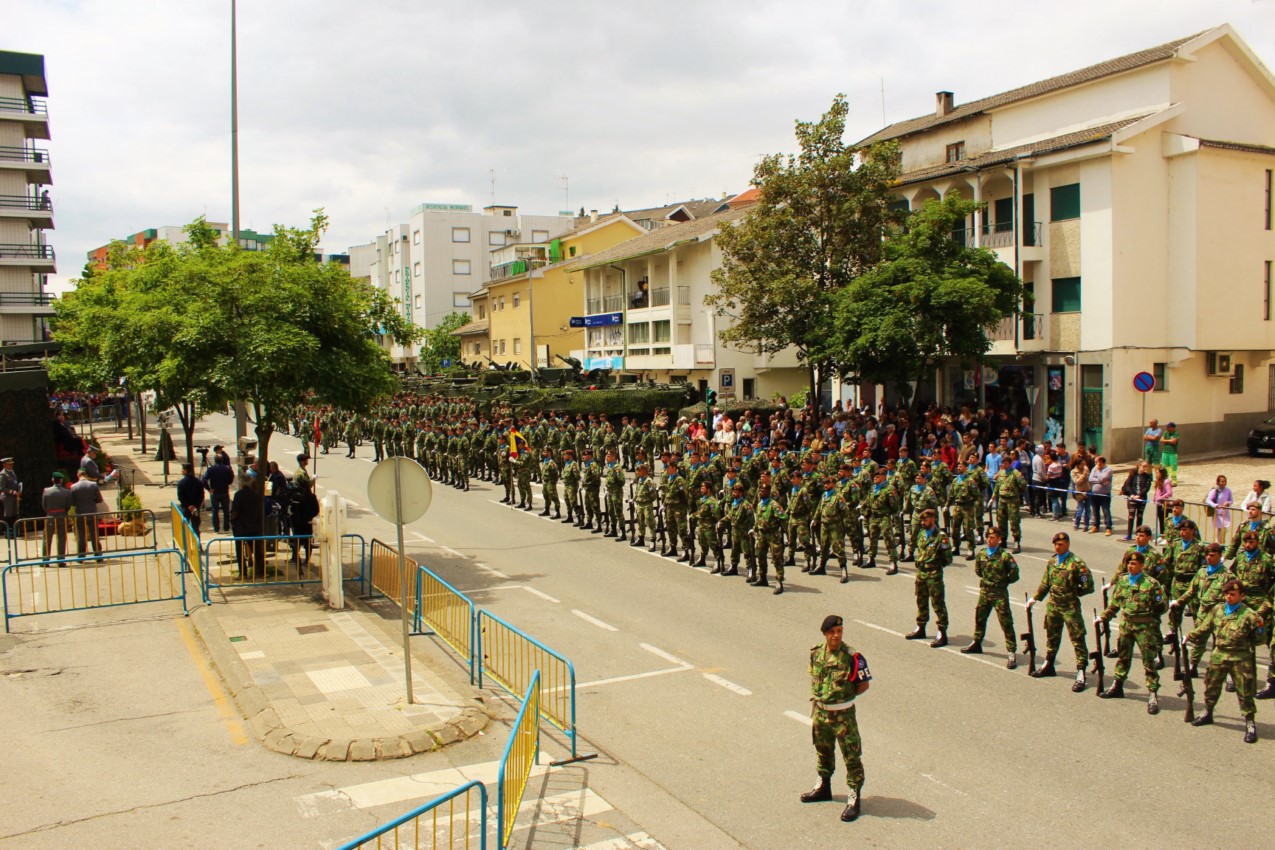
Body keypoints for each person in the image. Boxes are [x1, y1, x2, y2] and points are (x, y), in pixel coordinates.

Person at [802, 614, 872, 823]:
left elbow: (863, 685)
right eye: (832, 632)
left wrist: (841, 699)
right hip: (821, 713)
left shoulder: (852, 656)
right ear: (825, 634)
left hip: (843, 716)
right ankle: (824, 786)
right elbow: (814, 677)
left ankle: (854, 797)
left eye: (839, 631)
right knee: (823, 750)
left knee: (851, 756)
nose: (836, 636)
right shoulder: (816, 653)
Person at [1185, 579, 1263, 743]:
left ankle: (1250, 723)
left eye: (1232, 594)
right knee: (1211, 686)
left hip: (1240, 658)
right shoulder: (1218, 610)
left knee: (1245, 692)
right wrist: (1189, 636)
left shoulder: (1250, 616)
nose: (1228, 597)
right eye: (1227, 593)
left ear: (1242, 596)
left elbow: (1260, 639)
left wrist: (1254, 635)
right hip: (1219, 655)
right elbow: (1204, 628)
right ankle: (1208, 712)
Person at [1095, 551, 1167, 713]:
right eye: (1129, 563)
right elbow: (1115, 603)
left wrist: (1154, 613)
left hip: (1144, 627)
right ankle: (1118, 685)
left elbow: (1162, 606)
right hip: (1126, 625)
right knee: (1123, 657)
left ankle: (1153, 693)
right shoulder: (1122, 581)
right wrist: (1104, 617)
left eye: (1134, 563)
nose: (1130, 566)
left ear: (1142, 565)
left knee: (1149, 661)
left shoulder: (1151, 584)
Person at [1026, 532, 1095, 691]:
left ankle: (1081, 670)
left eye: (1061, 544)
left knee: (1077, 638)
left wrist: (1073, 593)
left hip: (1070, 607)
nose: (1058, 546)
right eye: (1056, 544)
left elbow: (1088, 586)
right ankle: (1049, 664)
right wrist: (1035, 598)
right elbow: (1045, 584)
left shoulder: (1077, 563)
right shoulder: (1052, 562)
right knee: (1052, 635)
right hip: (1053, 605)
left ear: (1068, 544)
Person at [962, 526, 1020, 668]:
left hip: (999, 594)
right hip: (985, 592)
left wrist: (1002, 582)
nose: (989, 539)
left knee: (1006, 623)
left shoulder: (1005, 556)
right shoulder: (982, 554)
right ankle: (977, 642)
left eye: (992, 537)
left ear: (999, 539)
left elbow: (1014, 574)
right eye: (988, 536)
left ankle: (1011, 651)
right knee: (980, 618)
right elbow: (978, 571)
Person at [905, 509, 952, 647]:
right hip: (921, 573)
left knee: (938, 603)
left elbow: (947, 558)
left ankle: (942, 632)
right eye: (922, 520)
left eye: (925, 520)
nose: (923, 522)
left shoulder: (941, 537)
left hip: (934, 574)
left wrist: (935, 566)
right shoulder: (921, 534)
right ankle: (921, 627)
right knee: (921, 601)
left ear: (933, 519)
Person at [230, 476, 263, 576]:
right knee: (256, 550)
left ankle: (243, 573)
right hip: (253, 526)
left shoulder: (239, 495)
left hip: (240, 527)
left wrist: (232, 520)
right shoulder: (254, 495)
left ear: (241, 483)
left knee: (240, 551)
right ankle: (259, 571)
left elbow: (235, 511)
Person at [69, 468, 103, 559]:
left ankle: (81, 556)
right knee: (94, 534)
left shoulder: (73, 487)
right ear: (86, 475)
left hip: (80, 513)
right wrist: (92, 501)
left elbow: (72, 502)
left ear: (78, 475)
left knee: (81, 535)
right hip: (92, 512)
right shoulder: (93, 485)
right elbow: (100, 499)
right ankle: (98, 555)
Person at [289, 477, 320, 567]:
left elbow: (293, 509)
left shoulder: (298, 497)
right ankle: (307, 560)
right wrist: (310, 517)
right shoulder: (312, 497)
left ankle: (295, 558)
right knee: (307, 542)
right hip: (307, 523)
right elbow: (316, 510)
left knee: (297, 541)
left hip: (299, 523)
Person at [40, 470, 71, 560]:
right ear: (61, 480)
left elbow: (44, 505)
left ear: (53, 480)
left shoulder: (46, 491)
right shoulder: (66, 492)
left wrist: (50, 512)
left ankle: (46, 559)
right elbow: (68, 506)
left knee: (47, 538)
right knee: (61, 538)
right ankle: (60, 559)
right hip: (62, 516)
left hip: (50, 516)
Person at [203, 453, 235, 534]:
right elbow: (231, 478)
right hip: (224, 491)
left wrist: (208, 488)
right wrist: (227, 482)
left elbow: (204, 480)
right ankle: (226, 527)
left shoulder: (211, 469)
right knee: (226, 511)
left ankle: (216, 528)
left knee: (215, 511)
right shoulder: (227, 468)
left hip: (215, 492)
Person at [1119, 461, 1152, 541]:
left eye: (1146, 466)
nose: (1145, 468)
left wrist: (1139, 495)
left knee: (1140, 516)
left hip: (1142, 498)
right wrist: (1132, 494)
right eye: (1144, 466)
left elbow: (1147, 488)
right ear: (1139, 466)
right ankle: (1129, 534)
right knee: (1131, 516)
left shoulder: (1148, 476)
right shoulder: (1133, 475)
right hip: (1132, 498)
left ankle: (1138, 533)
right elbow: (1128, 485)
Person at [176, 463, 206, 535]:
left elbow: (180, 497)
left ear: (185, 471)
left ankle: (186, 544)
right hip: (195, 508)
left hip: (186, 508)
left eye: (182, 470)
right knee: (196, 527)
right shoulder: (198, 482)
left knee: (185, 527)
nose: (182, 471)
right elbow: (201, 495)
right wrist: (195, 505)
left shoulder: (181, 483)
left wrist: (188, 506)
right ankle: (197, 544)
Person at [1088, 456, 1114, 535]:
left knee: (1106, 511)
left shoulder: (1108, 470)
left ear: (1101, 462)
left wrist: (1098, 472)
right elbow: (1090, 479)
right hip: (1094, 494)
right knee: (1095, 511)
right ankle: (1096, 526)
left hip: (1104, 494)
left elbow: (1103, 478)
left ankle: (1108, 528)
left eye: (1097, 462)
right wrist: (1100, 481)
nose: (1096, 464)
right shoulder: (1094, 468)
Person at [1206, 475, 1233, 546]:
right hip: (1217, 513)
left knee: (1224, 530)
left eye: (1225, 481)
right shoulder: (1214, 491)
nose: (1224, 483)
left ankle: (1220, 544)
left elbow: (1231, 500)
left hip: (1225, 513)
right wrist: (1215, 505)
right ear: (1218, 482)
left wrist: (1228, 503)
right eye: (1222, 481)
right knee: (1220, 530)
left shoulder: (1228, 490)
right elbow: (1208, 500)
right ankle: (1218, 545)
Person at [1151, 466, 1173, 543]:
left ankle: (1166, 537)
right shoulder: (1158, 481)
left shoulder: (1166, 481)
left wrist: (1160, 497)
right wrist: (1155, 498)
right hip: (1158, 504)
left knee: (1164, 520)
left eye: (1157, 473)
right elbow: (1157, 491)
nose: (1156, 474)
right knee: (1160, 520)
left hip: (1164, 504)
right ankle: (1161, 535)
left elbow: (1169, 493)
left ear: (1161, 473)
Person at [0, 456, 19, 537]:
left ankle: (14, 531)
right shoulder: (3, 474)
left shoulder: (12, 472)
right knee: (8, 514)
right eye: (9, 464)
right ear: (4, 465)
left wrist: (18, 491)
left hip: (14, 496)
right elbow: (2, 488)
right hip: (7, 497)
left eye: (11, 464)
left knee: (14, 514)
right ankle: (8, 532)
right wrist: (14, 492)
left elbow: (15, 483)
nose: (11, 465)